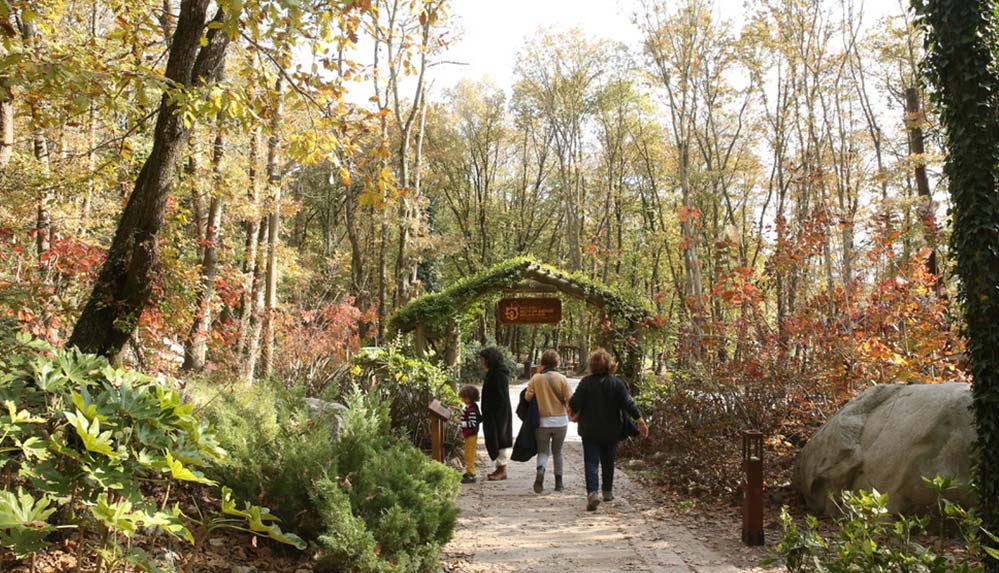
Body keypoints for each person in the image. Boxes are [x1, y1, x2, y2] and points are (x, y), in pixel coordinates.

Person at [569, 348, 649, 511]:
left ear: (592, 365)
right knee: (608, 461)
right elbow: (629, 404)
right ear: (610, 365)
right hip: (611, 430)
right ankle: (607, 492)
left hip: (590, 429)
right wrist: (640, 421)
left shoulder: (586, 382)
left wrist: (574, 412)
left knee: (591, 461)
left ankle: (592, 493)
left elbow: (574, 403)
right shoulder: (617, 383)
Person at [524, 349, 572, 493]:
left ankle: (540, 471)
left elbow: (527, 397)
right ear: (557, 362)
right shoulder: (562, 379)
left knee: (543, 451)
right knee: (557, 452)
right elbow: (570, 400)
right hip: (560, 422)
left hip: (542, 421)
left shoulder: (536, 378)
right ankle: (559, 483)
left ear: (543, 362)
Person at [479, 346, 513, 481]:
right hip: (493, 413)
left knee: (500, 439)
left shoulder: (498, 374)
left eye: (482, 359)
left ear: (489, 359)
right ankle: (499, 468)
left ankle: (502, 469)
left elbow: (500, 397)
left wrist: (494, 414)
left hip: (498, 414)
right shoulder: (494, 372)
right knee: (496, 439)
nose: (481, 362)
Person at [458, 385, 482, 484]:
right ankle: (469, 471)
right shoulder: (471, 407)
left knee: (469, 454)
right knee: (467, 453)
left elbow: (472, 423)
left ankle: (471, 474)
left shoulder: (472, 410)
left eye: (464, 398)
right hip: (469, 435)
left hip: (471, 435)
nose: (462, 400)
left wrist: (460, 423)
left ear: (469, 398)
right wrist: (459, 410)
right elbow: (465, 414)